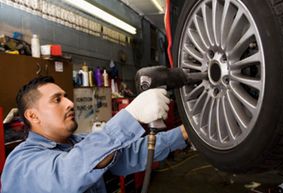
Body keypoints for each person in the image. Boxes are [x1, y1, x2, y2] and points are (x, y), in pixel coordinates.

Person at [1, 76, 188, 193]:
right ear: (33, 116)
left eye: (66, 96)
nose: (69, 103)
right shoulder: (21, 162)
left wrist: (184, 133)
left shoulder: (78, 142)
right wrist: (131, 115)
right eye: (57, 100)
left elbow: (130, 154)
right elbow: (66, 174)